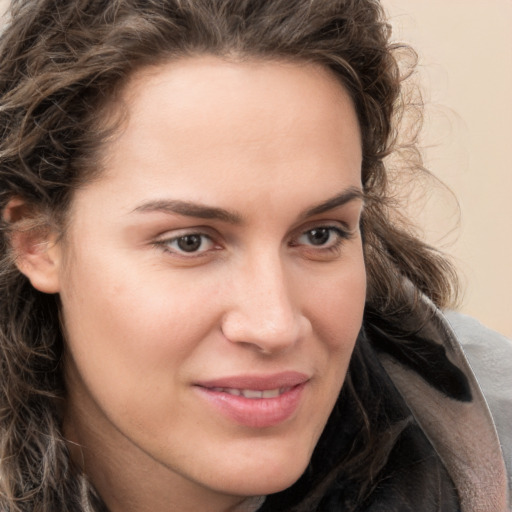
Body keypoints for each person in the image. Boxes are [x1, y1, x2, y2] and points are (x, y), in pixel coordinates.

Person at [0, 0, 510, 511]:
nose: (274, 325)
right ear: (38, 242)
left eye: (319, 235)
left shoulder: (497, 430)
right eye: (190, 242)